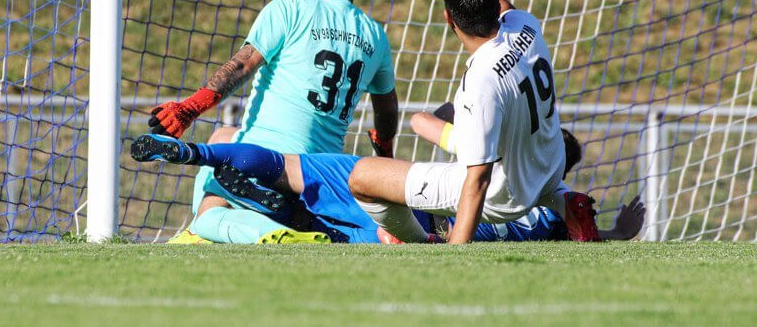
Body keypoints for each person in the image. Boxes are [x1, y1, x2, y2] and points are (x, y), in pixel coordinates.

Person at [146, 0, 400, 244]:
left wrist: (190, 108)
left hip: (262, 157)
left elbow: (241, 65)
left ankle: (255, 230)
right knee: (223, 136)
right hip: (320, 172)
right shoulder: (375, 35)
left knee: (208, 215)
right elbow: (386, 109)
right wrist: (384, 151)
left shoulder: (289, 8)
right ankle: (289, 215)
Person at [347, 0, 600, 244]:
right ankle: (566, 202)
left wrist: (457, 253)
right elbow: (504, 5)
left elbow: (478, 180)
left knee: (362, 177)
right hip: (550, 170)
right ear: (494, 7)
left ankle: (422, 243)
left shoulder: (479, 82)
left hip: (503, 196)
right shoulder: (525, 25)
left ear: (448, 19)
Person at [130, 115, 646, 243]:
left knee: (288, 168)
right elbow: (586, 238)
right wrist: (621, 231)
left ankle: (195, 151)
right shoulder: (552, 214)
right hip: (424, 225)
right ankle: (281, 214)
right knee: (330, 228)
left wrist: (469, 126)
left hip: (418, 187)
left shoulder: (487, 150)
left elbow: (421, 120)